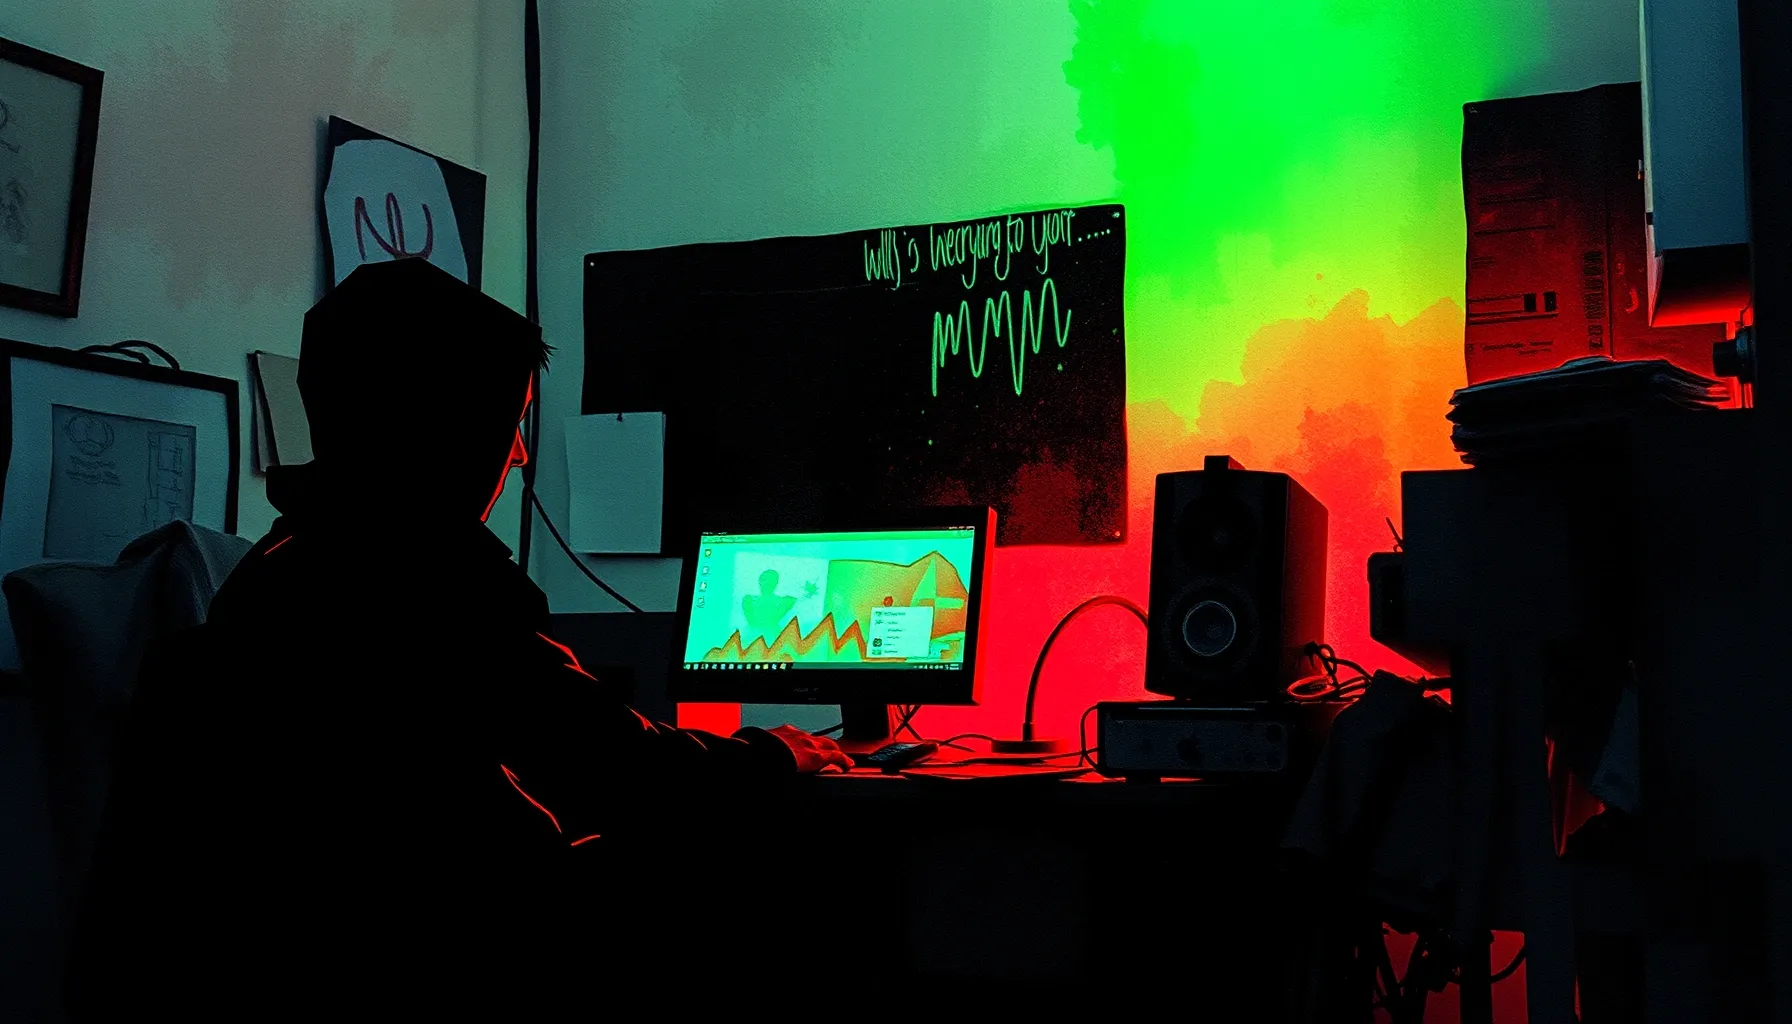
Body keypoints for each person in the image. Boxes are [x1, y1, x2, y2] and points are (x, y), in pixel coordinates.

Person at [64, 257, 850, 1018]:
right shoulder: (433, 586)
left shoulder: (267, 573)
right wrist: (776, 753)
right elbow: (628, 775)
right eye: (512, 422)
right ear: (455, 430)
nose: (520, 453)